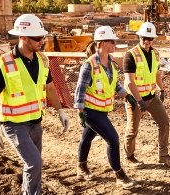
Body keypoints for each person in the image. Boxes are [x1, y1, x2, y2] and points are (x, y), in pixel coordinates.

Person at [0, 14, 69, 195]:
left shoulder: (43, 60)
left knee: (34, 165)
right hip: (13, 124)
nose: (41, 41)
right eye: (36, 38)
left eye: (42, 37)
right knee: (35, 163)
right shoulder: (5, 63)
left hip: (36, 122)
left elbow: (50, 87)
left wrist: (60, 111)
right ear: (23, 37)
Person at [74, 26, 136, 189]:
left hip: (102, 110)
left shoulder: (111, 64)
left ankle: (81, 167)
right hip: (90, 111)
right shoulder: (89, 65)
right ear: (100, 43)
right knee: (113, 140)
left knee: (86, 138)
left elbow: (114, 83)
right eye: (111, 41)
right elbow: (80, 88)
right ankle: (119, 174)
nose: (114, 44)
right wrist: (80, 111)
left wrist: (125, 95)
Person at [123, 22, 170, 167]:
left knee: (164, 122)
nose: (147, 41)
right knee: (132, 130)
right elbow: (129, 82)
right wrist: (139, 100)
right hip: (134, 99)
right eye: (144, 38)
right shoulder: (130, 55)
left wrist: (162, 89)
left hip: (151, 96)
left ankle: (163, 155)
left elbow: (156, 73)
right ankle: (129, 157)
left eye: (150, 38)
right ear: (139, 37)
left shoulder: (155, 54)